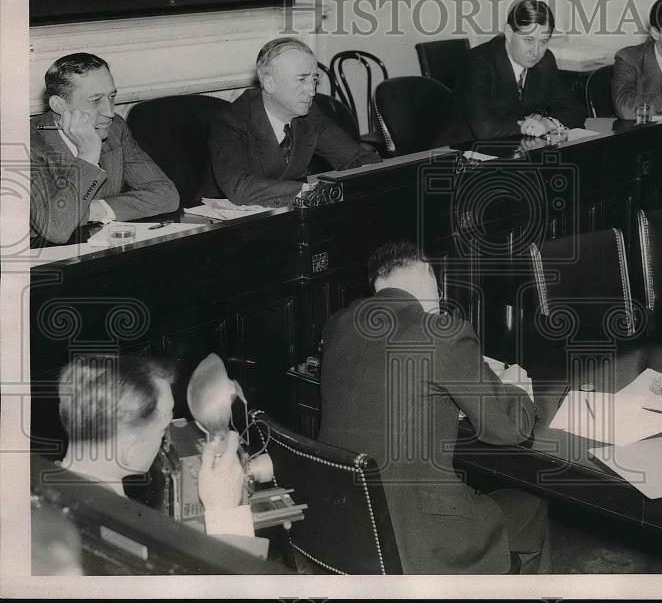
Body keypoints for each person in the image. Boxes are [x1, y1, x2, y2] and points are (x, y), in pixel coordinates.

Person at [318, 240, 552, 574]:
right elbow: (509, 429)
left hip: (346, 528)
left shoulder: (338, 325)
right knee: (533, 508)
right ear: (430, 275)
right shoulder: (441, 333)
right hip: (420, 542)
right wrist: (514, 386)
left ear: (378, 285)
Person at [56, 354, 253, 539]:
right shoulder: (121, 531)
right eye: (163, 429)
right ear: (129, 447)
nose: (167, 437)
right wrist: (225, 514)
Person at [208, 37, 381, 207]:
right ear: (269, 83)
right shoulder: (231, 121)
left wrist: (376, 175)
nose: (312, 91)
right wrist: (318, 192)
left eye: (314, 79)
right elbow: (241, 188)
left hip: (290, 212)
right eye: (301, 79)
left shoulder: (309, 114)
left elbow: (355, 157)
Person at [30, 53, 179, 246]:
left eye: (112, 97)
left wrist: (97, 210)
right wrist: (88, 155)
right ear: (59, 105)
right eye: (95, 100)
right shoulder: (27, 143)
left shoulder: (115, 129)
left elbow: (166, 195)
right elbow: (56, 229)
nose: (109, 112)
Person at [455, 0, 586, 139]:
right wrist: (532, 124)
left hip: (516, 148)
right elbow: (485, 128)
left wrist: (547, 123)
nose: (535, 51)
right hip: (468, 152)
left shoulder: (545, 60)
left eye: (543, 41)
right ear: (509, 33)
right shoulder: (477, 61)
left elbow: (576, 110)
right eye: (528, 40)